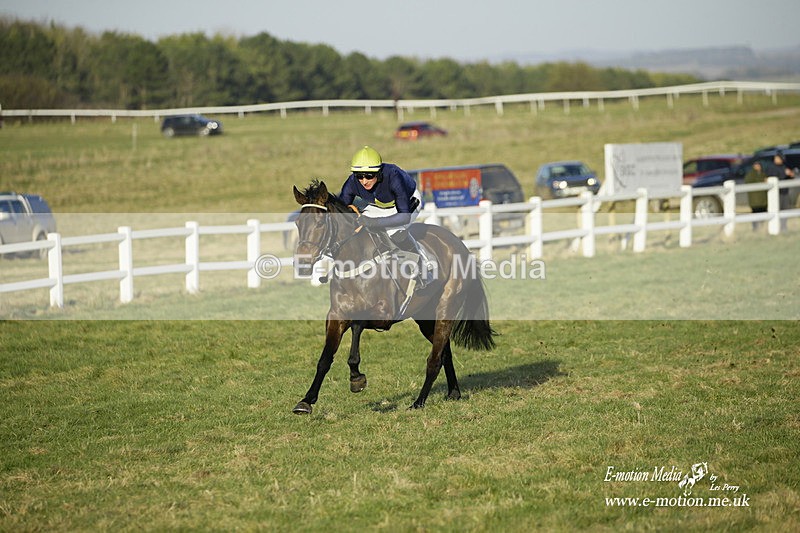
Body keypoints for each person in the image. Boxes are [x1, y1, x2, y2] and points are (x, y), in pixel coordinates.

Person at [338, 145, 431, 286]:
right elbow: (340, 211)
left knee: (394, 232)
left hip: (408, 203)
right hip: (380, 205)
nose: (364, 181)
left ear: (378, 173)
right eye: (359, 176)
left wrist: (373, 222)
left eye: (369, 176)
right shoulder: (352, 182)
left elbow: (404, 216)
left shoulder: (394, 177)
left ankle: (422, 264)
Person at [744, 160, 767, 230]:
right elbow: (748, 181)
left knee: (763, 213)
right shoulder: (750, 175)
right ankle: (755, 228)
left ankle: (762, 227)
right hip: (755, 200)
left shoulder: (763, 174)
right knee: (755, 213)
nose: (757, 167)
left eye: (758, 165)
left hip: (763, 199)